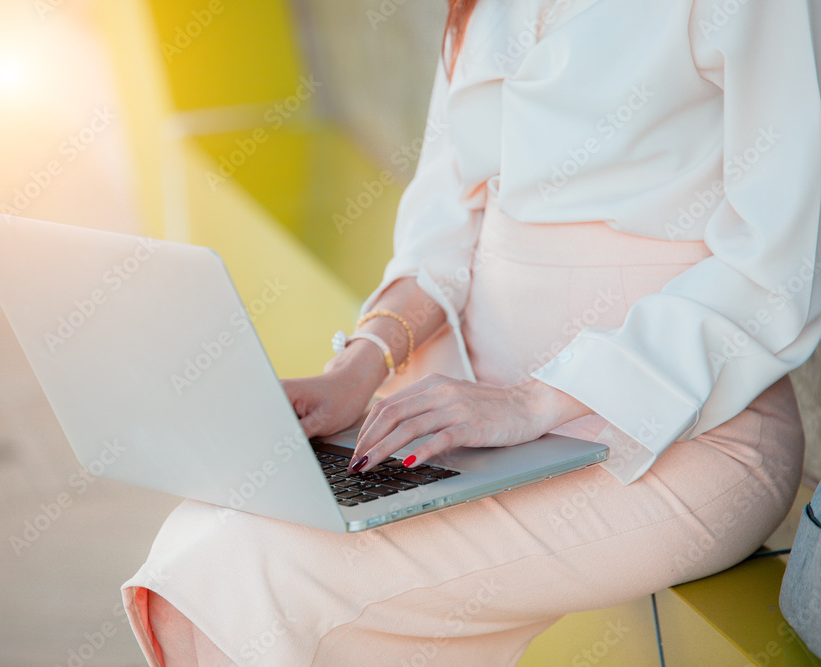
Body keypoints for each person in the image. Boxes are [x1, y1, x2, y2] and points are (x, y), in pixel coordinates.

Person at [122, 0, 821, 664]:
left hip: (678, 437)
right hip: (467, 419)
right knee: (199, 544)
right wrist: (358, 368)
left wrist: (532, 402)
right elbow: (446, 220)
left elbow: (776, 269)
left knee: (256, 572)